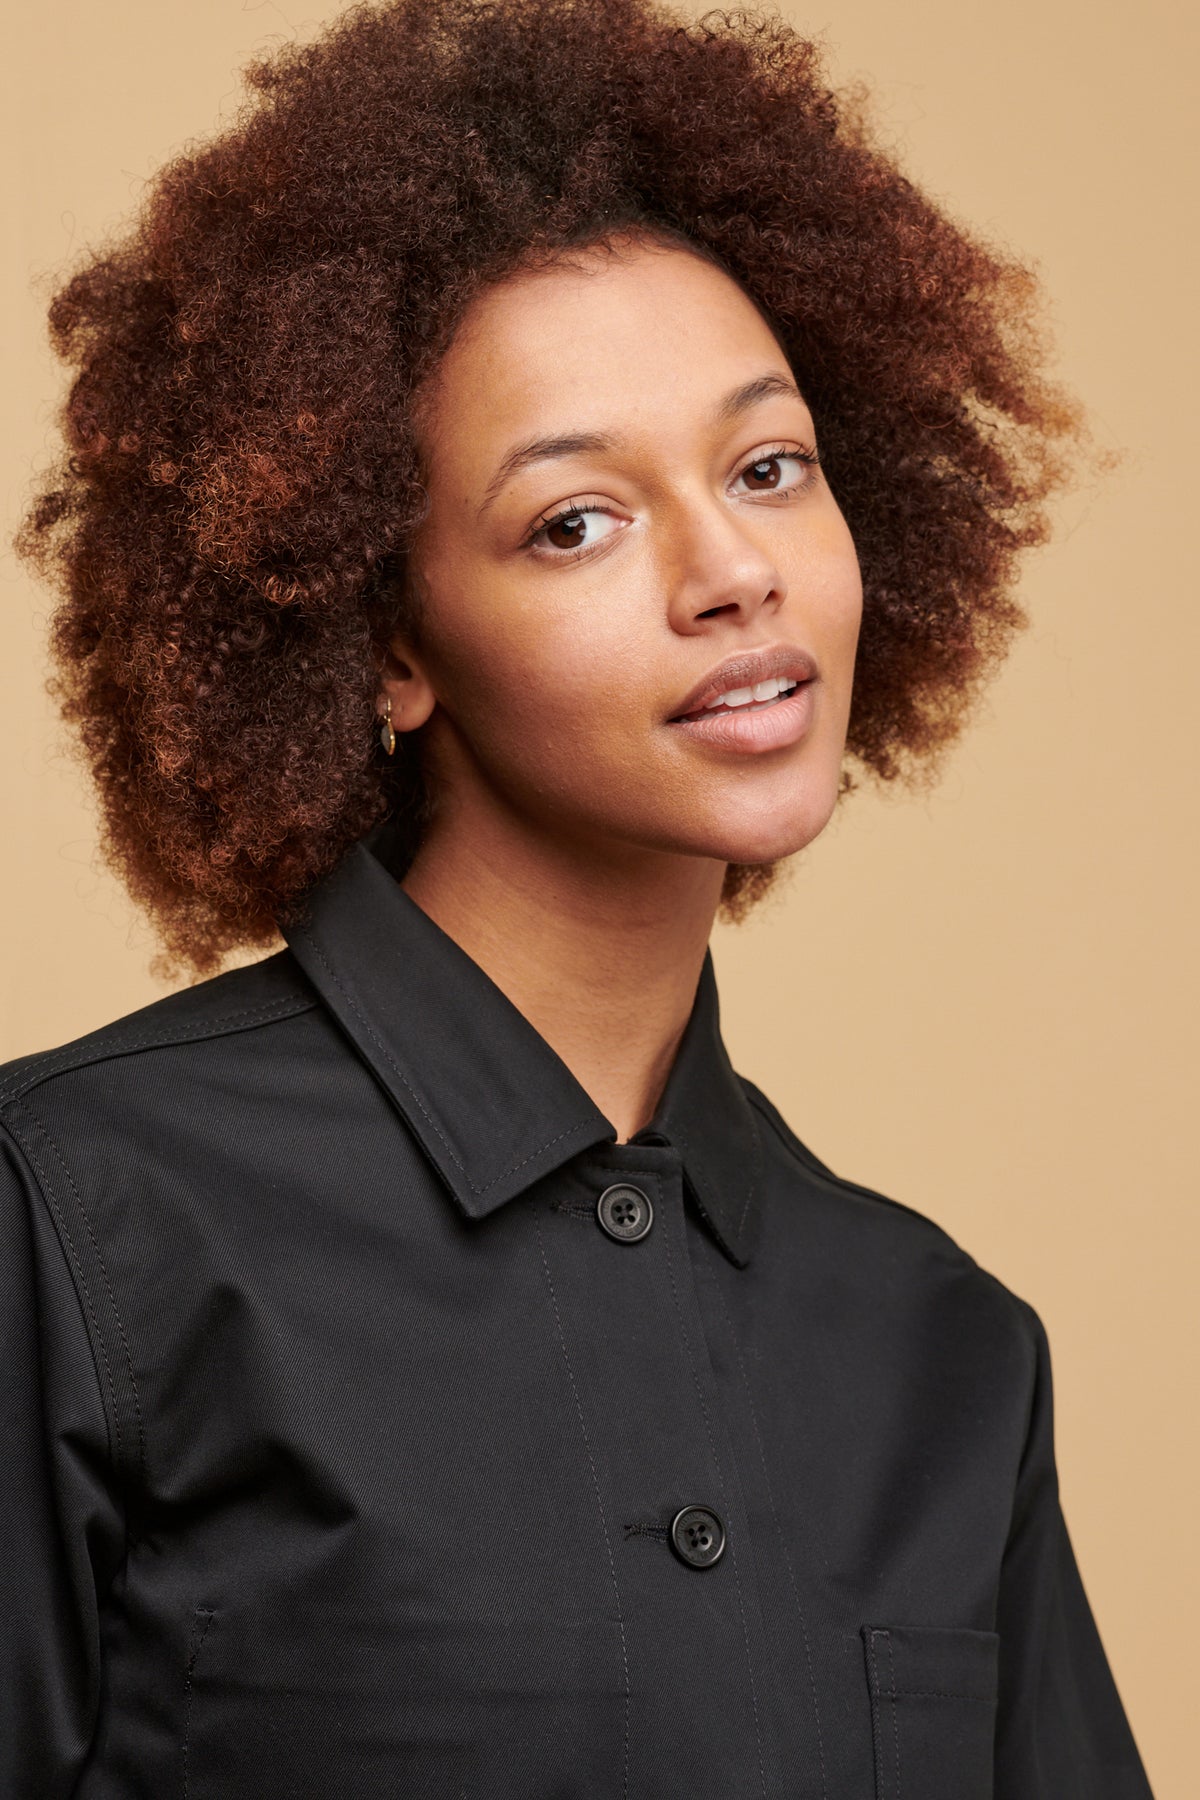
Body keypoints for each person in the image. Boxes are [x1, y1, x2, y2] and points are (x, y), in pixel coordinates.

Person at [2, 0, 1155, 1794]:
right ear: (384, 645)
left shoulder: (941, 1349)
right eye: (575, 521)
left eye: (771, 468)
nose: (733, 572)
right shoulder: (73, 1234)